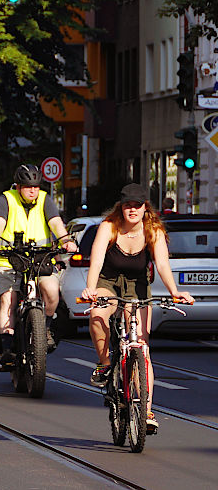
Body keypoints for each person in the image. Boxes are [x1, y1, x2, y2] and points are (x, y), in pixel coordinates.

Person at [81, 183, 194, 434]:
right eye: (128, 205)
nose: (132, 210)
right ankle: (104, 362)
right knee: (98, 317)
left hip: (138, 286)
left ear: (145, 208)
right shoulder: (108, 228)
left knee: (141, 346)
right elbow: (96, 261)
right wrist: (90, 289)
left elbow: (162, 265)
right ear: (121, 207)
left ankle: (147, 410)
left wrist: (174, 291)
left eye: (137, 205)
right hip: (107, 282)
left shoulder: (153, 231)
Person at [0, 164, 76, 370]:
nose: (33, 190)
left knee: (52, 292)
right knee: (9, 299)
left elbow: (56, 222)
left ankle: (46, 329)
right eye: (28, 187)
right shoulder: (6, 199)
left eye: (35, 186)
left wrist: (65, 240)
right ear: (18, 187)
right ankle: (7, 349)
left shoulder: (44, 199)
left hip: (39, 258)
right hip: (9, 258)